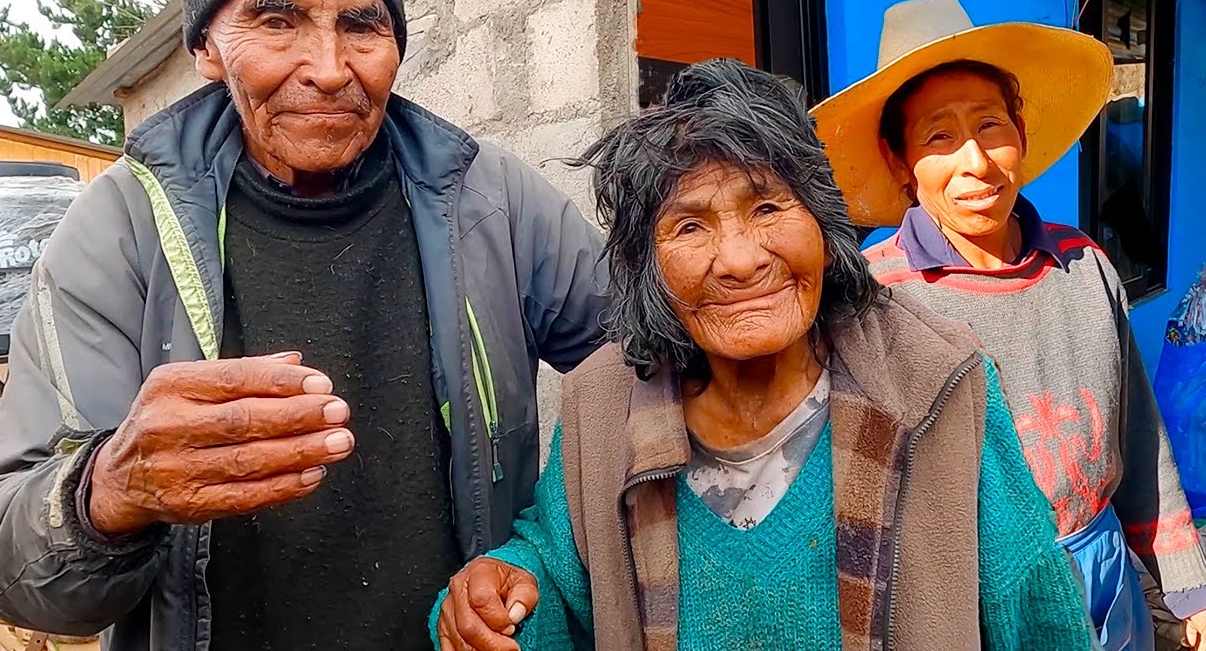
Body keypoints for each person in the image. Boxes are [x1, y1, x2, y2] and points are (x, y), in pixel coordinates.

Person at [0, 0, 608, 650]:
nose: (330, 70)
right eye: (277, 22)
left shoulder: (492, 202)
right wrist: (107, 492)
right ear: (207, 47)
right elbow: (1, 562)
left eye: (362, 25)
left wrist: (538, 552)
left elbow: (649, 369)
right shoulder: (118, 231)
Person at [431, 59, 1097, 651]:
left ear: (823, 224)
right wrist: (498, 593)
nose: (743, 260)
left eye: (769, 207)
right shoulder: (601, 404)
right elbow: (555, 572)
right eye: (690, 226)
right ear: (646, 266)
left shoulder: (936, 381)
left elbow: (1037, 609)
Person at [812, 0, 1206, 651]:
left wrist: (1187, 585)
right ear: (901, 161)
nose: (976, 162)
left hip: (1102, 568)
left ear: (1019, 131)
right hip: (969, 597)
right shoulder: (874, 298)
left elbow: (1138, 436)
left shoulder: (1083, 265)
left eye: (989, 125)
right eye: (939, 135)